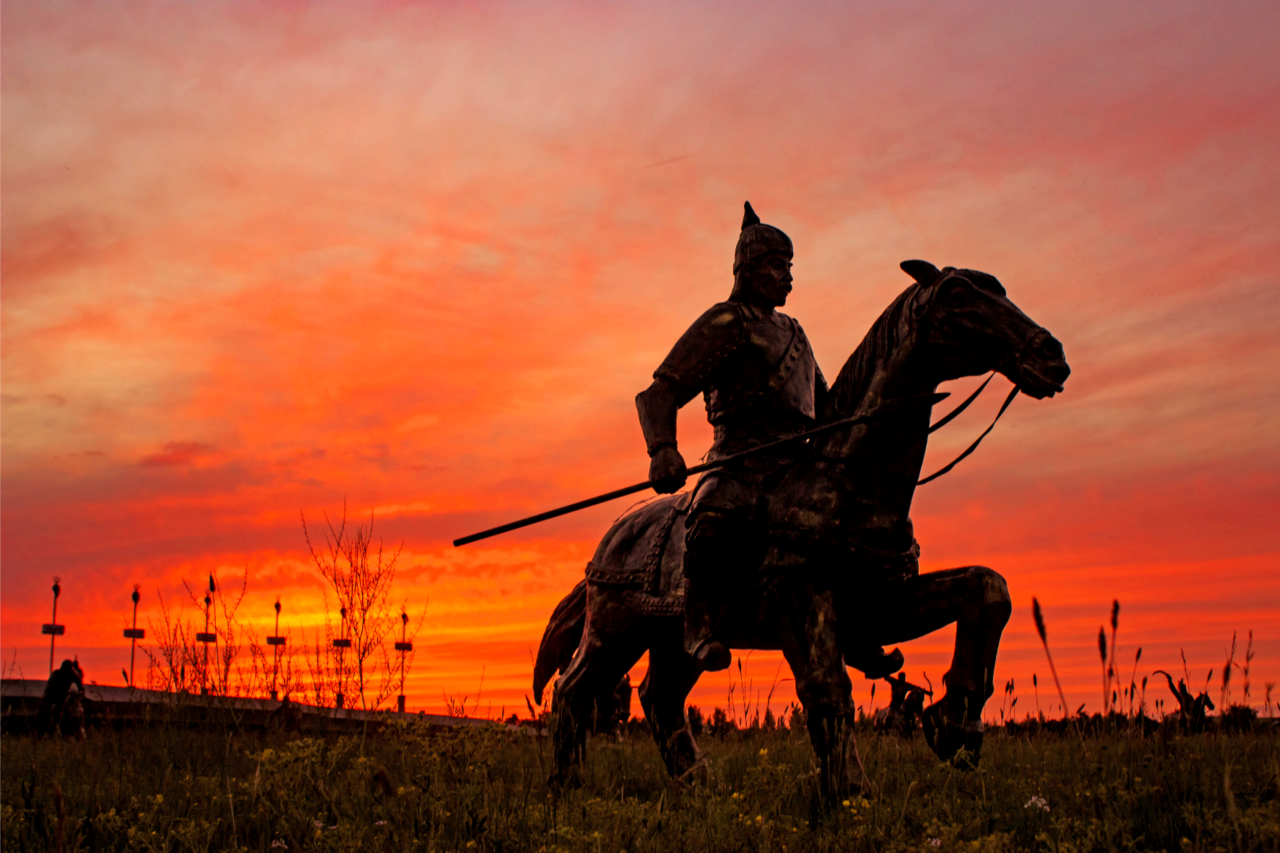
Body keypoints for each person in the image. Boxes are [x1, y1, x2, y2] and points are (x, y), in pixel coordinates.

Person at [637, 201, 898, 674]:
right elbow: (660, 393)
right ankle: (698, 625)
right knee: (715, 515)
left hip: (798, 463)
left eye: (790, 267)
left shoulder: (795, 334)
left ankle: (857, 630)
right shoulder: (726, 322)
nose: (788, 278)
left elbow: (828, 408)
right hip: (737, 459)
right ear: (749, 268)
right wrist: (663, 450)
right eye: (779, 265)